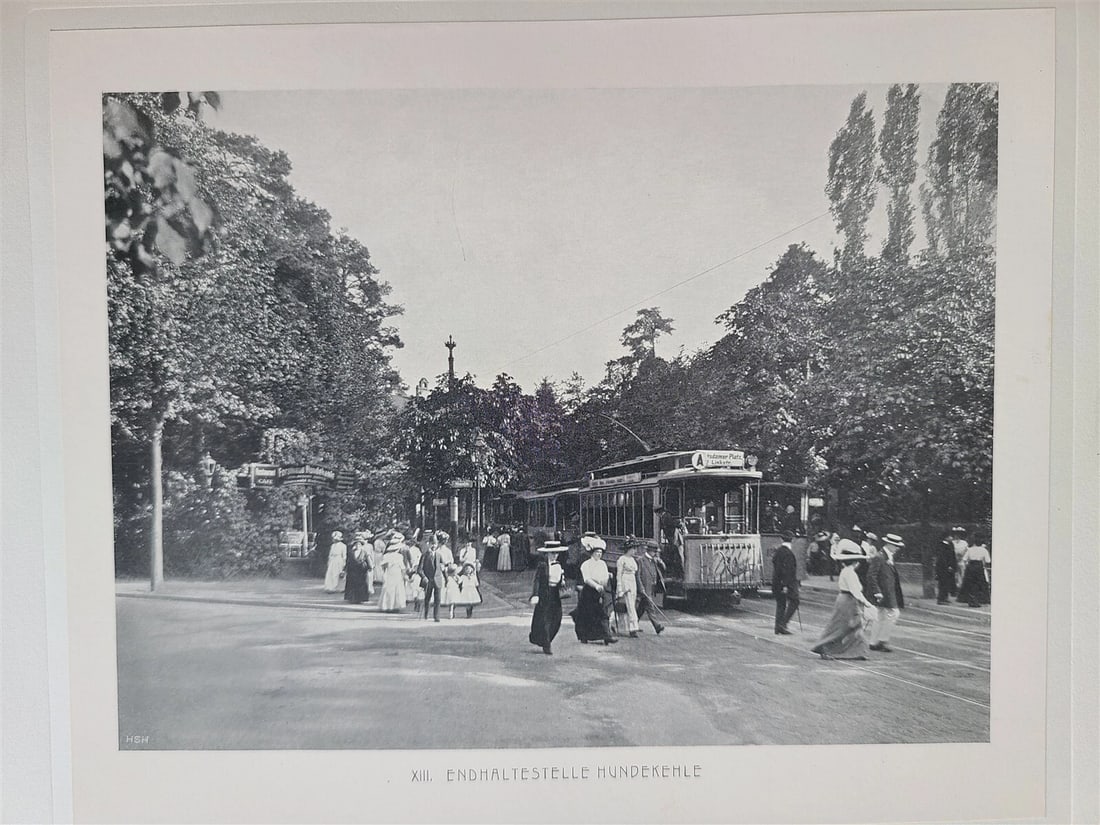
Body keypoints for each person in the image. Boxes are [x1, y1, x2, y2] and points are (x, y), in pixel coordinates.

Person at [811, 539, 875, 660]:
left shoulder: (845, 571)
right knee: (843, 626)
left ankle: (857, 651)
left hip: (845, 600)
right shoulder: (850, 573)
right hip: (848, 601)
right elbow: (855, 591)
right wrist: (867, 603)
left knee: (851, 626)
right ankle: (828, 648)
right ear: (855, 561)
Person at [570, 541, 617, 645]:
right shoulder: (586, 564)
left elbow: (604, 577)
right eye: (597, 552)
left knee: (603, 613)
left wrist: (607, 579)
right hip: (589, 592)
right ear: (592, 553)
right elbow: (587, 579)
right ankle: (585, 636)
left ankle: (606, 636)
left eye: (600, 552)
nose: (599, 554)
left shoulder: (603, 564)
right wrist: (596, 586)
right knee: (587, 615)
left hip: (600, 591)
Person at [867, 533, 906, 652]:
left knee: (880, 616)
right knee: (893, 613)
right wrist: (877, 591)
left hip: (888, 592)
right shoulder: (880, 556)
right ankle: (882, 640)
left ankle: (874, 642)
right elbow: (871, 575)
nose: (897, 548)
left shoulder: (888, 556)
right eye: (895, 545)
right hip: (884, 593)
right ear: (888, 544)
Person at [529, 542, 567, 654]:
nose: (555, 555)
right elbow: (537, 580)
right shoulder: (543, 565)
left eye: (556, 553)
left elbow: (560, 581)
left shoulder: (559, 565)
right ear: (547, 554)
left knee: (557, 618)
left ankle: (546, 639)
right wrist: (535, 594)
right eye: (552, 553)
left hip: (555, 593)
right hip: (545, 593)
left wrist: (562, 581)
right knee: (545, 619)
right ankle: (546, 644)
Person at [772, 532, 800, 635]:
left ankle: (778, 627)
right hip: (786, 583)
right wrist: (785, 585)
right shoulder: (789, 554)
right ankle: (783, 624)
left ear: (782, 540)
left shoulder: (778, 551)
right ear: (792, 540)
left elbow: (776, 566)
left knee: (781, 604)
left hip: (776, 582)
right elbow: (787, 571)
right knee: (795, 601)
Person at [636, 544, 666, 635]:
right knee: (650, 607)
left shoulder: (654, 561)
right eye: (655, 552)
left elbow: (663, 570)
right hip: (644, 587)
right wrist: (640, 588)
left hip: (651, 587)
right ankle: (657, 626)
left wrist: (660, 562)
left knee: (641, 608)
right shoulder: (640, 560)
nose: (656, 554)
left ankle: (634, 624)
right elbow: (637, 576)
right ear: (649, 551)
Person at [615, 540, 642, 638]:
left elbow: (635, 573)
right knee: (629, 605)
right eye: (633, 549)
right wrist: (620, 588)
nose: (635, 551)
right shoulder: (622, 559)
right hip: (625, 582)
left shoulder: (633, 560)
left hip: (632, 582)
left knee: (630, 605)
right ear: (628, 549)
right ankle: (633, 628)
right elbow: (619, 574)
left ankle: (613, 623)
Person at [957, 533, 991, 607]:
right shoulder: (984, 550)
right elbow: (988, 560)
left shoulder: (970, 549)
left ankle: (970, 600)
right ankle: (978, 600)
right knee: (979, 584)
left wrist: (967, 565)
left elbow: (964, 559)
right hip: (979, 567)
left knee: (970, 584)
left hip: (971, 567)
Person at [417, 535, 445, 622]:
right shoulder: (424, 555)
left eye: (435, 544)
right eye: (432, 544)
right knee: (427, 598)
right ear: (428, 544)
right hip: (428, 580)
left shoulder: (439, 555)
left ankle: (436, 617)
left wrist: (446, 578)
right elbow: (419, 569)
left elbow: (443, 567)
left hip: (438, 580)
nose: (434, 546)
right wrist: (424, 577)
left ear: (437, 545)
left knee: (438, 599)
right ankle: (426, 614)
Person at [378, 533, 408, 613]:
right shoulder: (399, 557)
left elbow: (383, 566)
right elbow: (402, 568)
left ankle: (387, 606)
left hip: (389, 573)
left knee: (388, 589)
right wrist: (405, 575)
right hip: (397, 574)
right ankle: (395, 606)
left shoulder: (386, 556)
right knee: (397, 589)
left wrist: (384, 573)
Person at [344, 532, 372, 604]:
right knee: (352, 584)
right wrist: (344, 569)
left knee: (361, 584)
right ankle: (352, 598)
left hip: (361, 570)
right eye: (356, 544)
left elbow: (368, 560)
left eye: (359, 544)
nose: (357, 545)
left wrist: (370, 567)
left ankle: (361, 598)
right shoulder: (351, 552)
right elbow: (348, 561)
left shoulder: (365, 552)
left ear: (361, 545)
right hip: (352, 571)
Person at [934, 534, 958, 604]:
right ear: (946, 537)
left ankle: (945, 597)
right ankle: (940, 599)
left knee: (947, 583)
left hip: (950, 567)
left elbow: (952, 556)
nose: (952, 538)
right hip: (943, 567)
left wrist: (953, 565)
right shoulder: (941, 545)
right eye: (950, 536)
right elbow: (942, 558)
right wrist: (948, 566)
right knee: (943, 583)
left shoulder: (950, 545)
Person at [403, 532, 423, 613]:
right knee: (406, 586)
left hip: (414, 569)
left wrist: (414, 569)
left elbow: (419, 561)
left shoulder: (417, 550)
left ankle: (416, 603)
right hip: (406, 568)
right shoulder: (404, 549)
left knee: (414, 587)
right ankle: (406, 602)